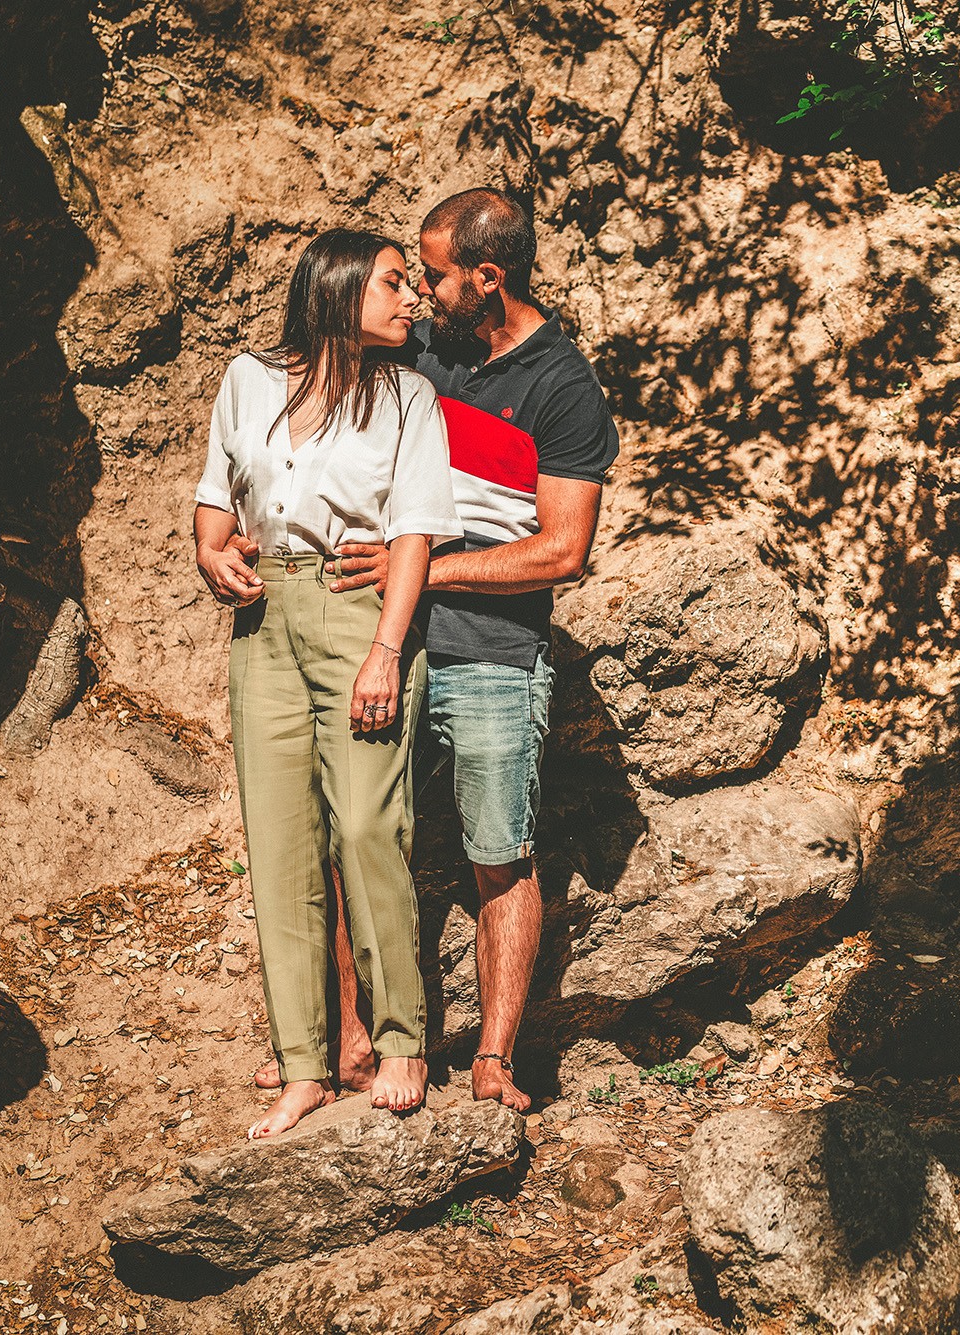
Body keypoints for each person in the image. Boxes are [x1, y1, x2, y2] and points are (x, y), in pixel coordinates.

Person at [249, 189, 619, 1111]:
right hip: (382, 639)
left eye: (435, 275)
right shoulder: (419, 348)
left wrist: (422, 567)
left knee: (500, 852)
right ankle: (344, 1040)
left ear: (487, 278)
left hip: (494, 650)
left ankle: (494, 1058)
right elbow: (318, 370)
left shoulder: (563, 387)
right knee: (354, 835)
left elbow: (562, 551)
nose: (418, 291)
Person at [195, 230, 463, 1138]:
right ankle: (303, 1067)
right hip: (263, 619)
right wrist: (211, 552)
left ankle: (401, 1042)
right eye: (393, 282)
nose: (411, 298)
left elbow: (415, 530)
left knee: (366, 826)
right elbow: (215, 499)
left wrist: (388, 648)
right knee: (280, 845)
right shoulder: (247, 380)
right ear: (340, 289)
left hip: (359, 612)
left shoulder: (408, 397)